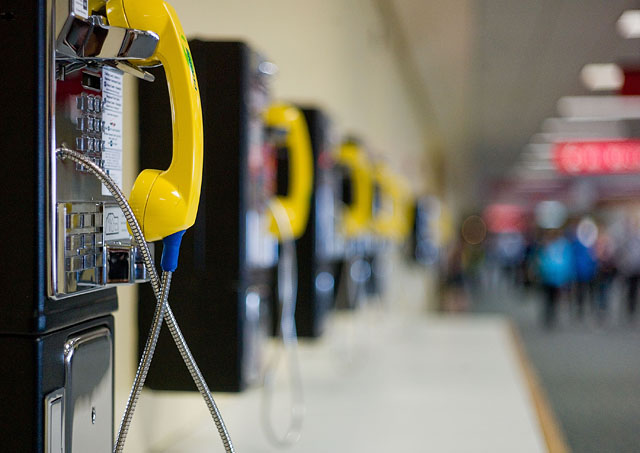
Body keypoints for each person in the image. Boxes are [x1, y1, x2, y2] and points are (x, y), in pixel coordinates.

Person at [536, 229, 574, 328]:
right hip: (547, 275)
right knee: (547, 297)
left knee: (553, 298)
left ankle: (551, 316)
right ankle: (548, 315)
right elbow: (542, 259)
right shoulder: (546, 244)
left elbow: (567, 260)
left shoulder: (563, 245)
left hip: (557, 276)